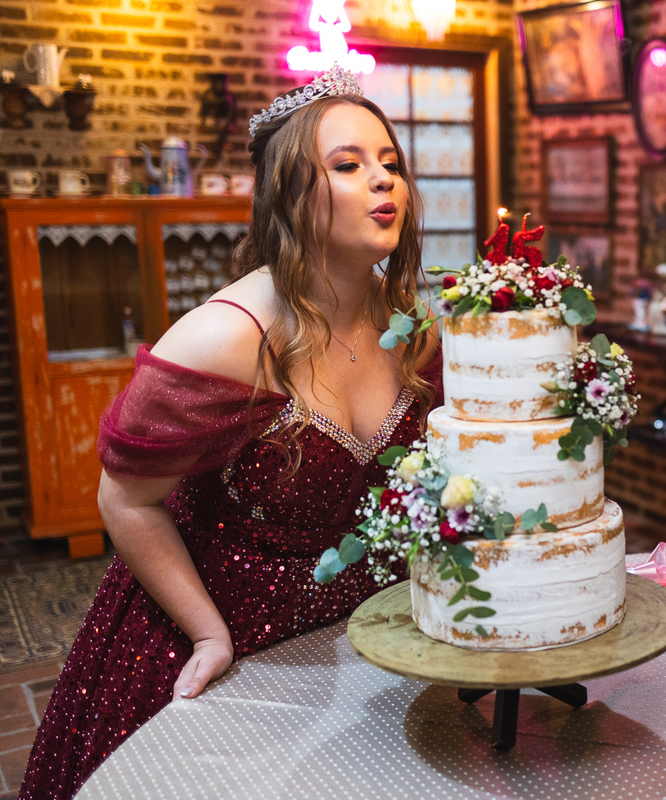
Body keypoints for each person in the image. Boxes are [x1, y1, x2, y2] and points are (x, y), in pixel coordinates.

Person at [19, 66, 441, 799]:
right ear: (288, 196)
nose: (385, 181)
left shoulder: (412, 328)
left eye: (390, 163)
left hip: (364, 630)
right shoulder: (226, 337)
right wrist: (209, 633)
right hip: (227, 628)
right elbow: (124, 498)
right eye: (348, 165)